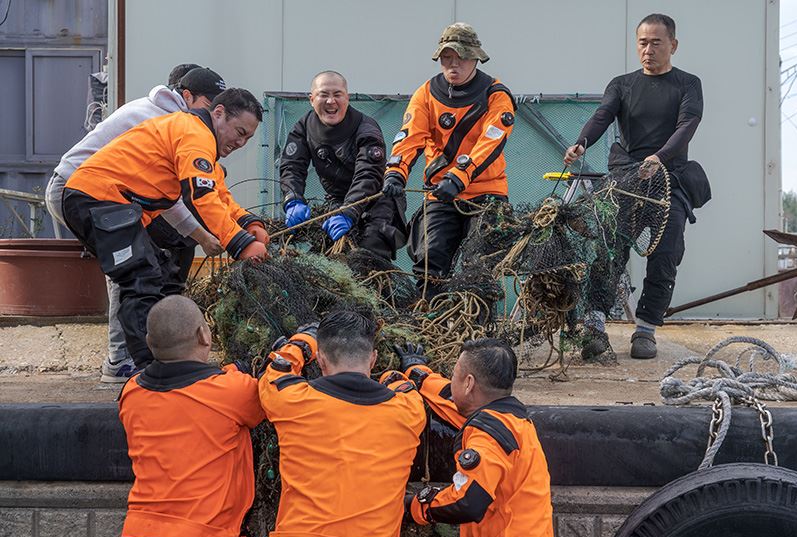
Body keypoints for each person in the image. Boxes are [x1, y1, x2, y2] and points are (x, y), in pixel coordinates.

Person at [62, 87, 269, 368]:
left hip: (109, 204)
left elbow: (218, 193)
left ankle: (165, 360)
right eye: (240, 131)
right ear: (218, 113)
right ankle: (149, 369)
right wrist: (240, 244)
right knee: (142, 278)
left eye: (248, 138)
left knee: (159, 274)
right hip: (96, 199)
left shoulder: (199, 141)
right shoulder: (194, 133)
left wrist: (248, 223)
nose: (241, 142)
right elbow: (201, 195)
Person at [45, 64, 227, 383]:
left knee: (162, 254)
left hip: (106, 194)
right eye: (211, 106)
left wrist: (200, 235)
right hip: (77, 189)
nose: (216, 117)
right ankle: (123, 360)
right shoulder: (167, 123)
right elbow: (173, 204)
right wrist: (205, 233)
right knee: (130, 266)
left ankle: (160, 347)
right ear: (187, 97)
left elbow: (165, 198)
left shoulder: (172, 119)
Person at [564, 13, 710, 360]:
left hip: (669, 177)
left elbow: (687, 124)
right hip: (627, 177)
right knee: (608, 249)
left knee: (667, 252)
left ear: (672, 45)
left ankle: (645, 329)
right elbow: (602, 115)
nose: (648, 49)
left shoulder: (688, 84)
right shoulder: (622, 84)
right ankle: (596, 325)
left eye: (656, 42)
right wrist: (582, 142)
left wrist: (659, 158)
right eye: (642, 42)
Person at [257, 311, 426, 537]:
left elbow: (275, 372)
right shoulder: (409, 412)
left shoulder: (292, 400)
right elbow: (404, 387)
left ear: (321, 360)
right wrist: (402, 372)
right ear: (373, 359)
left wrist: (303, 343)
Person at [117, 295, 265, 537]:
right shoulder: (232, 392)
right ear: (204, 335)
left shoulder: (132, 391)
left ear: (149, 343)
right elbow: (263, 398)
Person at [393, 339, 565, 537]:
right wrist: (418, 373)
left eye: (454, 374)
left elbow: (467, 501)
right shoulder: (511, 420)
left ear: (469, 384)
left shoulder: (487, 435)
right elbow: (447, 397)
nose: (451, 382)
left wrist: (413, 507)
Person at [382, 23, 516, 296]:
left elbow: (489, 143)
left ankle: (476, 328)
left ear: (476, 58)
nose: (454, 65)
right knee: (430, 259)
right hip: (440, 195)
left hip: (486, 194)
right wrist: (396, 171)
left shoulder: (496, 95)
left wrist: (459, 176)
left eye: (462, 58)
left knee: (479, 265)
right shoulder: (426, 93)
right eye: (447, 58)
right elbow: (410, 136)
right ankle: (432, 322)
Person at [280, 71, 408, 259]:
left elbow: (369, 175)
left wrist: (348, 213)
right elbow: (292, 166)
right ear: (312, 99)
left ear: (347, 98)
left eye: (337, 94)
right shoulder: (304, 126)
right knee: (329, 258)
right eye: (324, 94)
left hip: (378, 199)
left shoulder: (366, 128)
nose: (331, 101)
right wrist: (293, 199)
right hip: (337, 200)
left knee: (369, 253)